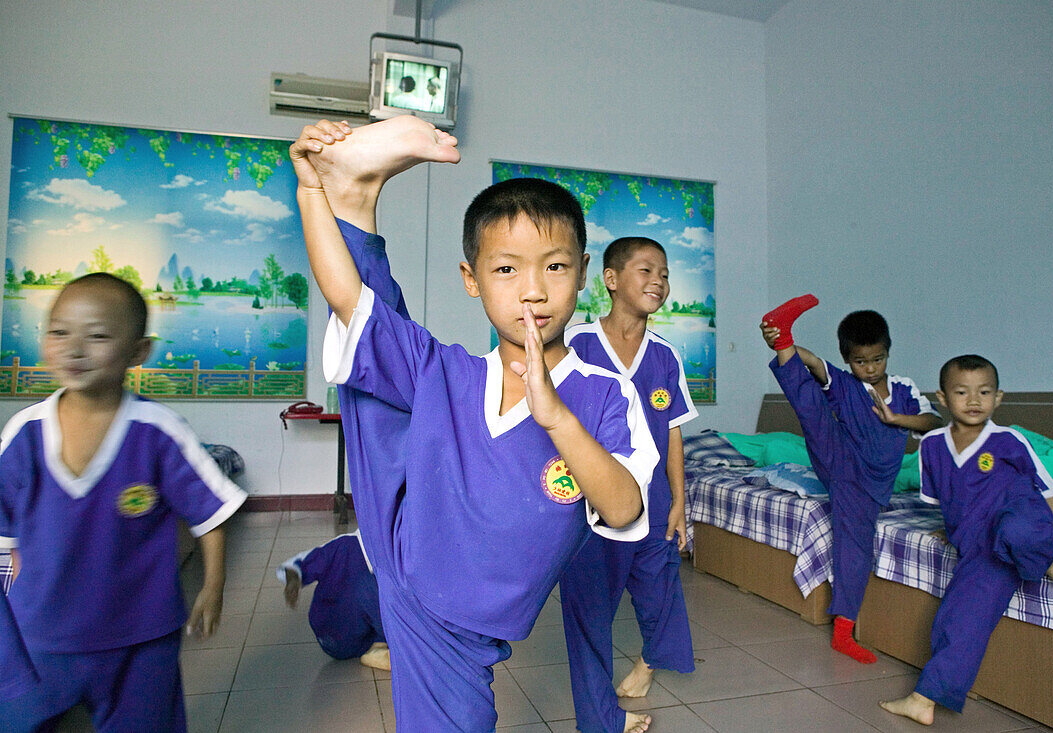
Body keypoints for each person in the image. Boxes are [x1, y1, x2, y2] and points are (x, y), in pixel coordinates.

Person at [290, 117, 658, 731]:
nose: (533, 292)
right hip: (420, 583)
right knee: (380, 353)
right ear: (473, 281)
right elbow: (346, 297)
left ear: (585, 273)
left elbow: (622, 509)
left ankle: (356, 197)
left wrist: (556, 417)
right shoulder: (451, 372)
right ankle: (349, 199)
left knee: (381, 377)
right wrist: (309, 194)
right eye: (507, 270)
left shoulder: (604, 396)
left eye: (555, 267)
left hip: (462, 618)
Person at [0, 273, 246, 731]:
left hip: (141, 634)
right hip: (41, 635)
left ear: (138, 352)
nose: (74, 349)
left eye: (96, 336)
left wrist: (214, 588)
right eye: (58, 332)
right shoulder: (24, 435)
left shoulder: (157, 431)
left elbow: (210, 513)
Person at [880, 354, 1053, 725]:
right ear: (943, 398)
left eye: (984, 392)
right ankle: (924, 697)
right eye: (962, 392)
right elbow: (947, 500)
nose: (974, 400)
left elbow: (1047, 492)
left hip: (1021, 516)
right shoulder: (931, 446)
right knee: (959, 615)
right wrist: (953, 531)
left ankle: (1052, 567)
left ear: (999, 397)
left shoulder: (1008, 440)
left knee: (1017, 529)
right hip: (978, 543)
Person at [559, 237, 697, 733]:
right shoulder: (576, 344)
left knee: (660, 592)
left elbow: (674, 429)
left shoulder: (666, 357)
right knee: (589, 615)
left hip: (654, 499)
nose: (658, 280)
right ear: (611, 280)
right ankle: (600, 719)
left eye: (664, 272)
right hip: (591, 504)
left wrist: (679, 500)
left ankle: (650, 661)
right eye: (645, 270)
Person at [760, 298, 941, 663]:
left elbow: (934, 423)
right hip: (842, 467)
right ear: (847, 359)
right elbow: (811, 361)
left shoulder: (905, 389)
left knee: (858, 541)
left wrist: (895, 419)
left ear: (888, 353)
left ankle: (844, 626)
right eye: (861, 361)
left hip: (873, 481)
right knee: (812, 405)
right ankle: (844, 631)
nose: (871, 368)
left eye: (878, 359)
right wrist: (781, 340)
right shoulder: (845, 382)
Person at [277, 530, 389, 669]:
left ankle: (378, 649)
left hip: (365, 637)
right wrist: (294, 578)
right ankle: (398, 646)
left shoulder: (396, 549)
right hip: (334, 634)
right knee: (369, 586)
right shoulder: (344, 546)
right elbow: (296, 564)